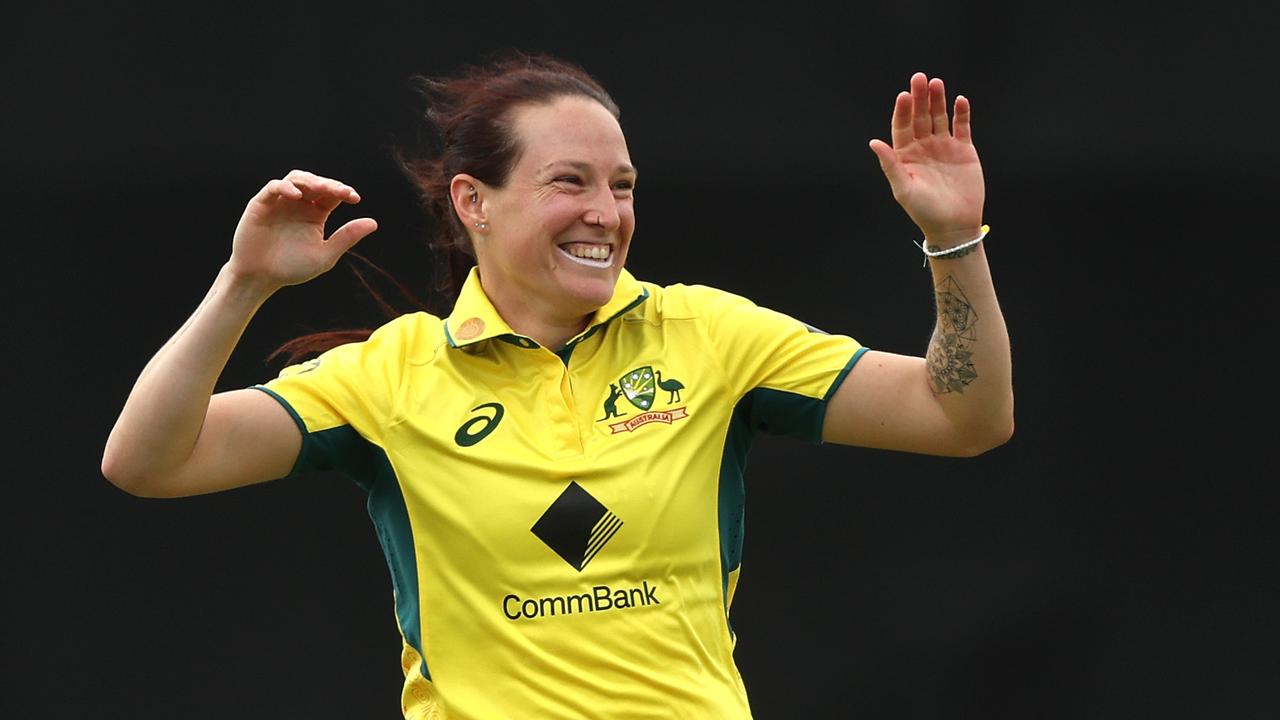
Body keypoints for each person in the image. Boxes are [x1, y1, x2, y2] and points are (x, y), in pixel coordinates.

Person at [102, 53, 1013, 719]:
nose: (606, 215)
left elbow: (961, 416)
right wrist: (245, 284)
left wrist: (952, 240)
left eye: (621, 185)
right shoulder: (389, 376)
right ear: (475, 202)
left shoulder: (710, 334)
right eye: (568, 183)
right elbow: (148, 462)